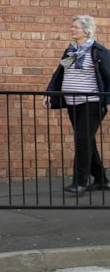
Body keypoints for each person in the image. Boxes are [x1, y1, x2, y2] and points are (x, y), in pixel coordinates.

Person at [44, 15, 110, 193]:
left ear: (86, 31)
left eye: (76, 27)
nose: (72, 29)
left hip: (92, 104)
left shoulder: (98, 52)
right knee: (87, 141)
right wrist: (50, 93)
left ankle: (80, 182)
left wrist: (108, 100)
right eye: (72, 26)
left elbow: (109, 77)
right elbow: (59, 74)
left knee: (82, 141)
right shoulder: (71, 51)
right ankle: (101, 180)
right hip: (73, 104)